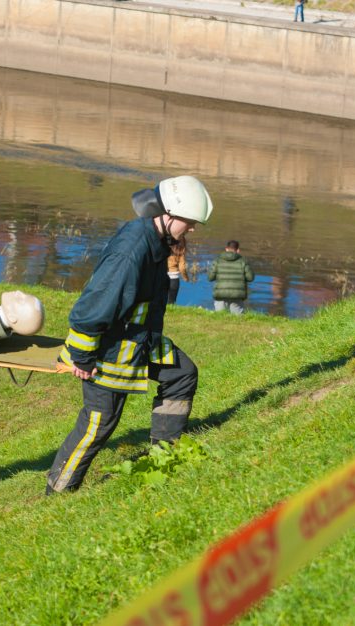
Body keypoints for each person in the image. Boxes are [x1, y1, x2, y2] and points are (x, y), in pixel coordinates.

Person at [46, 175, 212, 494]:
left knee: (182, 374)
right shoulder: (132, 250)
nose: (191, 229)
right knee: (99, 423)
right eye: (190, 222)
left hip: (141, 340)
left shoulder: (154, 238)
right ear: (169, 213)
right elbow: (94, 305)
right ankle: (58, 490)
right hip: (107, 352)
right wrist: (81, 356)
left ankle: (166, 456)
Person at [208, 240, 255, 315]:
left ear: (226, 249)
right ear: (238, 250)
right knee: (238, 319)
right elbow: (250, 278)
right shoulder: (243, 261)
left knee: (219, 317)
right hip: (237, 295)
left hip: (221, 294)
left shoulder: (217, 261)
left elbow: (210, 278)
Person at [166, 240, 190, 305]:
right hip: (174, 279)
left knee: (160, 300)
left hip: (163, 276)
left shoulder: (164, 249)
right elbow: (182, 268)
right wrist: (186, 278)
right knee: (171, 301)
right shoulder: (180, 251)